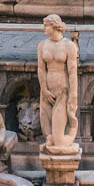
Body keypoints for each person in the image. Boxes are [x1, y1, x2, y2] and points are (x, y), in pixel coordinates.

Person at [37, 14, 80, 154]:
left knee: (59, 141)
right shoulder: (42, 45)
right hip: (46, 92)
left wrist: (73, 96)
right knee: (48, 134)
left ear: (54, 26)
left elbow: (73, 72)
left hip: (62, 92)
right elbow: (41, 69)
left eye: (46, 25)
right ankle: (51, 144)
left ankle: (73, 127)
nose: (44, 28)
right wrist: (43, 89)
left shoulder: (69, 46)